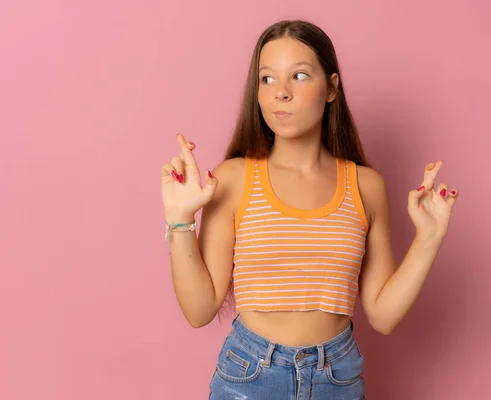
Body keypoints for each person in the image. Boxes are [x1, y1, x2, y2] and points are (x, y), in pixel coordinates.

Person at [160, 19, 458, 400]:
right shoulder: (233, 180)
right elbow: (199, 310)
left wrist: (429, 238)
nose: (280, 93)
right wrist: (180, 218)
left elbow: (383, 315)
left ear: (332, 87)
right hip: (250, 375)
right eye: (267, 79)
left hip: (338, 376)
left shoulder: (366, 186)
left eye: (298, 76)